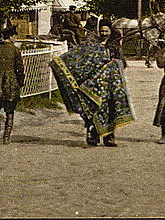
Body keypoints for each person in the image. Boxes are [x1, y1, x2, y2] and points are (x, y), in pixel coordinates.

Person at [49, 16, 136, 147]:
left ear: (111, 31)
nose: (104, 33)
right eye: (102, 31)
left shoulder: (115, 46)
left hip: (110, 86)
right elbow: (78, 58)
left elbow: (123, 64)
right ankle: (93, 136)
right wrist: (58, 62)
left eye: (106, 31)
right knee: (93, 108)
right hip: (93, 85)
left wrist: (113, 65)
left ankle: (109, 137)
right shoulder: (91, 44)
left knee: (109, 109)